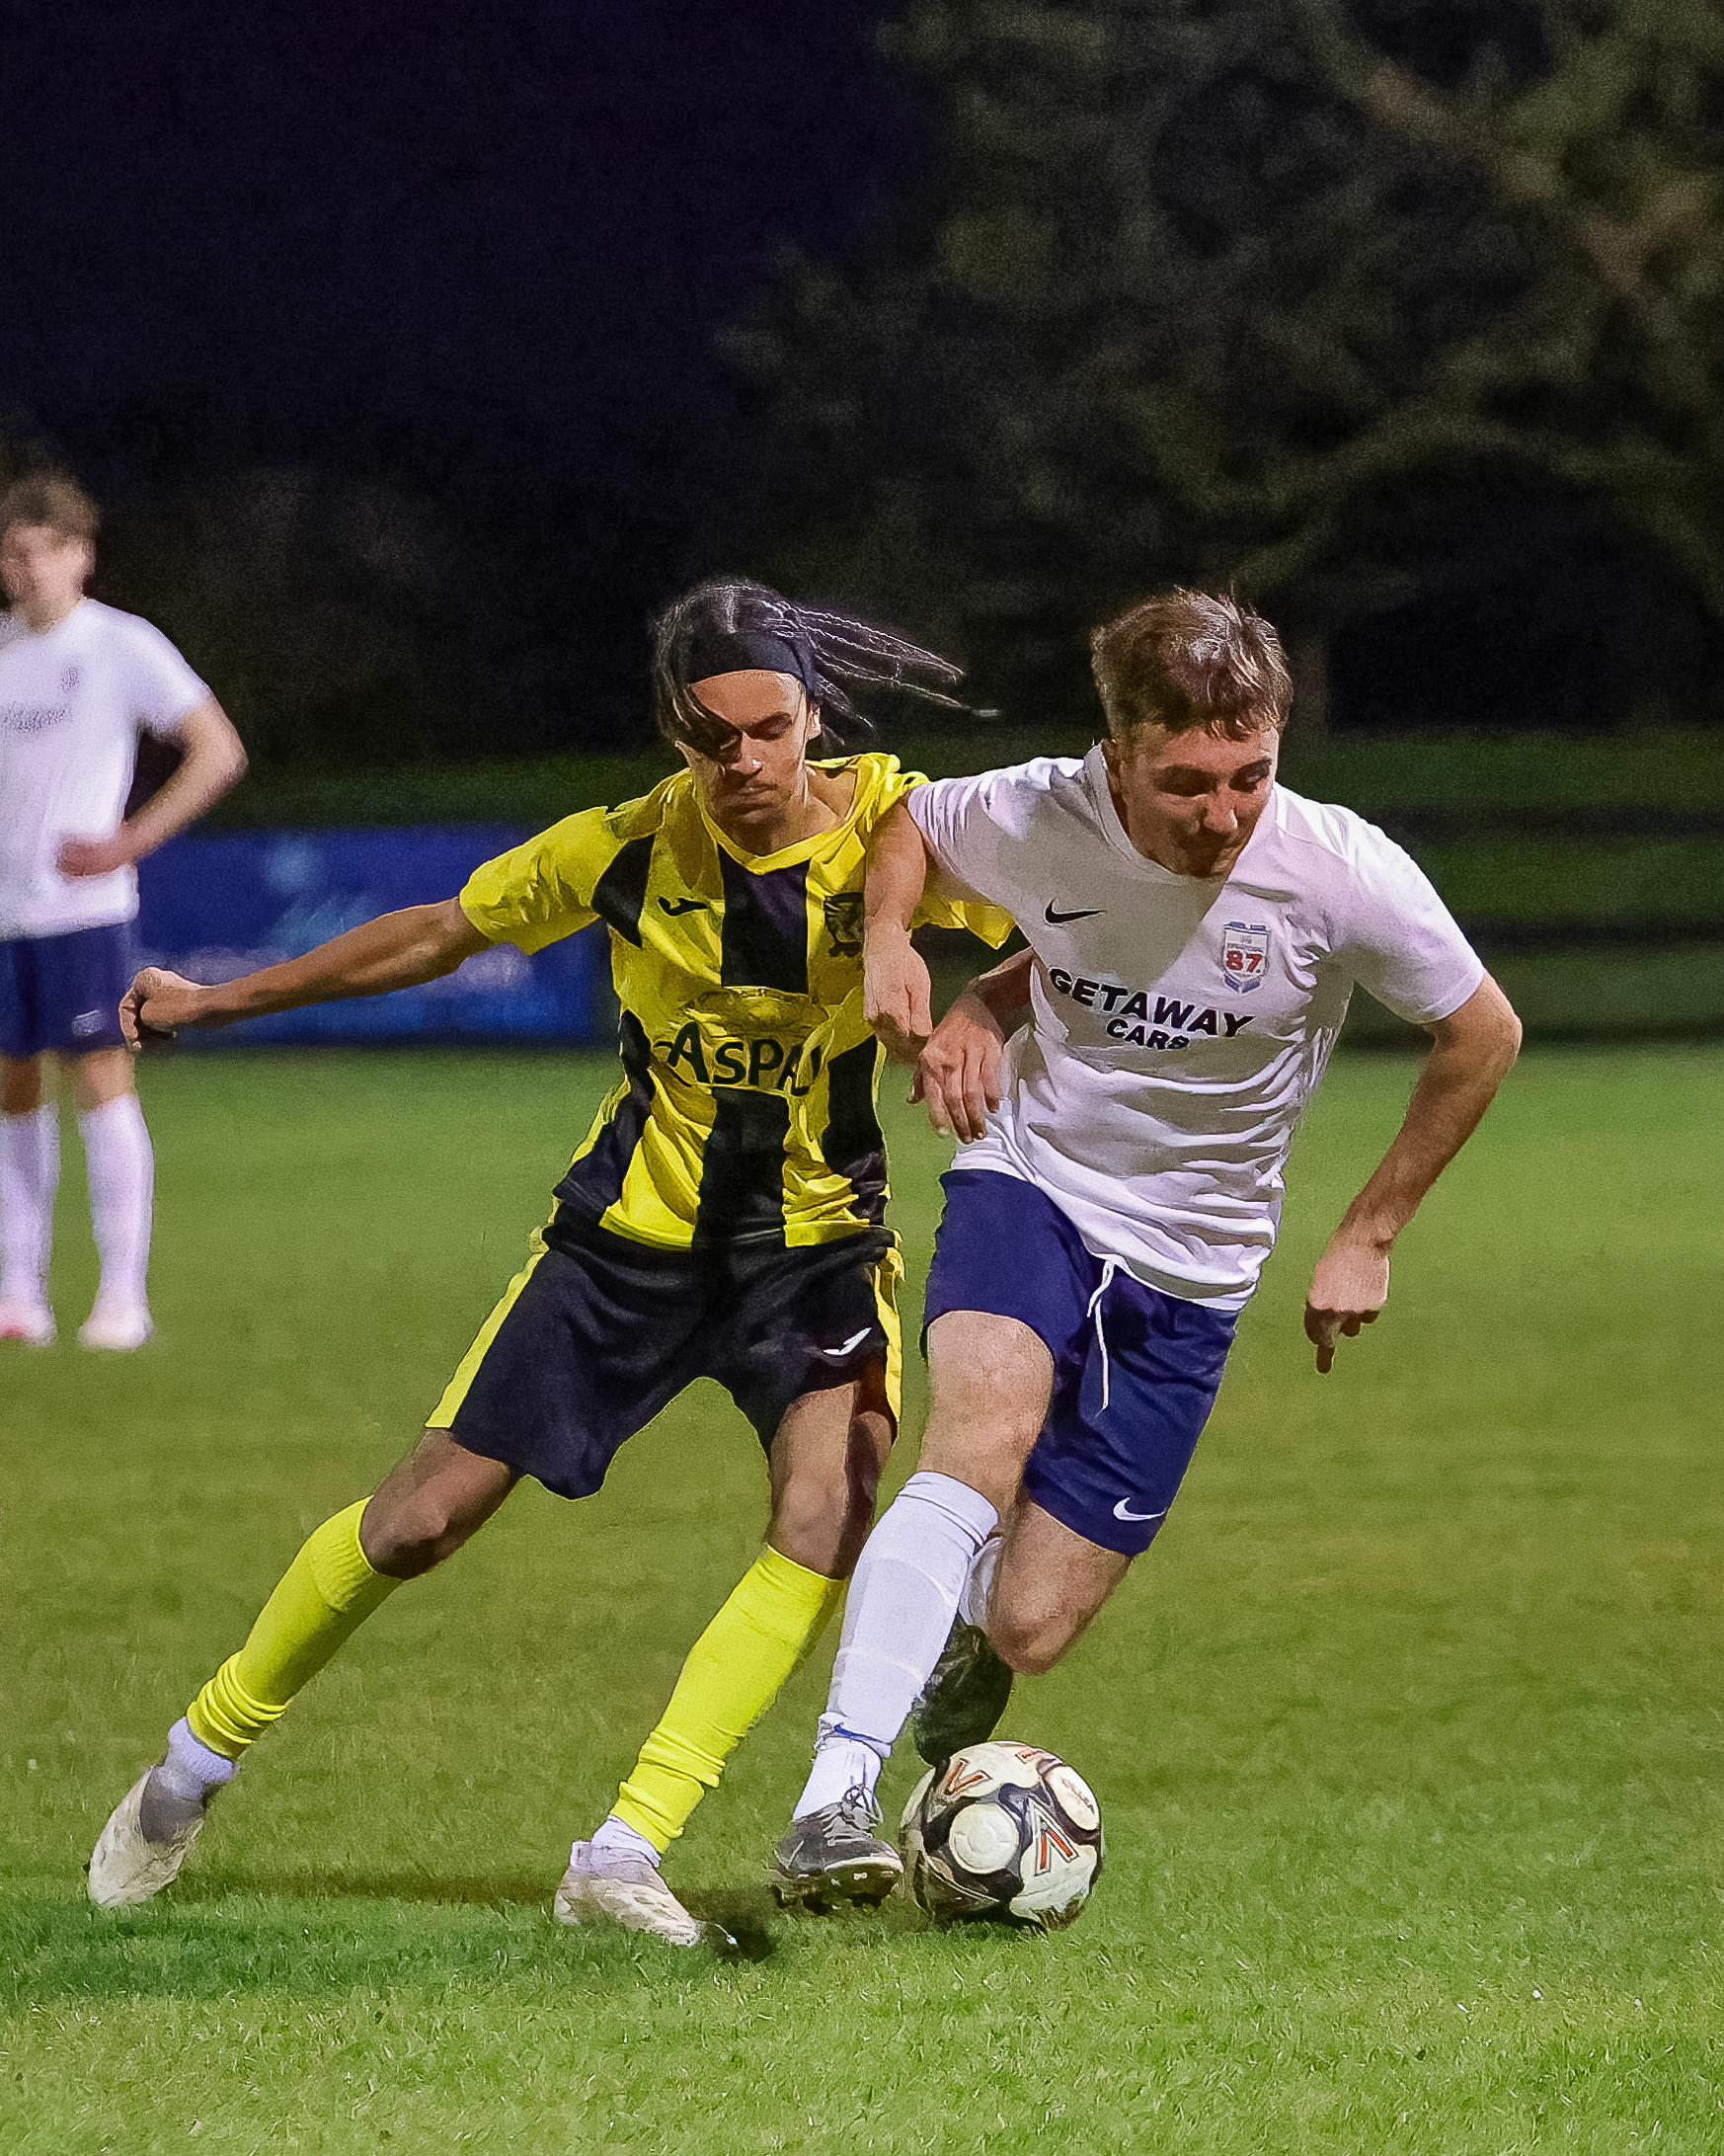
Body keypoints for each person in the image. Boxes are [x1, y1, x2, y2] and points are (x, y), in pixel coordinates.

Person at [87, 577, 1008, 1944]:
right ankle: (189, 1765)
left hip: (814, 1248)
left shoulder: (902, 822)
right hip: (622, 1246)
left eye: (771, 727)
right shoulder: (623, 848)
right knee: (418, 1521)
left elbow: (1057, 919)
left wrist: (974, 1003)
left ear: (815, 714)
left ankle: (625, 1845)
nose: (747, 761)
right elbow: (437, 930)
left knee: (827, 1509)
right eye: (713, 738)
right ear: (676, 736)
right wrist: (222, 999)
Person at [769, 589, 1524, 1906]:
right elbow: (906, 824)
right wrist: (896, 941)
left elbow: (1482, 1031)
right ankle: (832, 1800)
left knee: (1033, 1621)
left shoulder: (1337, 868)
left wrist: (1368, 1230)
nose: (1224, 815)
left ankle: (969, 1632)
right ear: (1114, 752)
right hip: (1034, 1177)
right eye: (1186, 783)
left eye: (1250, 775)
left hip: (1194, 1262)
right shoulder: (1036, 811)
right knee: (978, 1436)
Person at [0, 473, 247, 1349]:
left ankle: (120, 1299)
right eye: (11, 552)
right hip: (5, 916)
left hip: (83, 913)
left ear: (81, 556)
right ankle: (19, 1295)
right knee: (11, 1092)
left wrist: (130, 839)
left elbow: (217, 750)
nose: (24, 568)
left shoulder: (119, 645)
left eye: (41, 550)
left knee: (101, 1081)